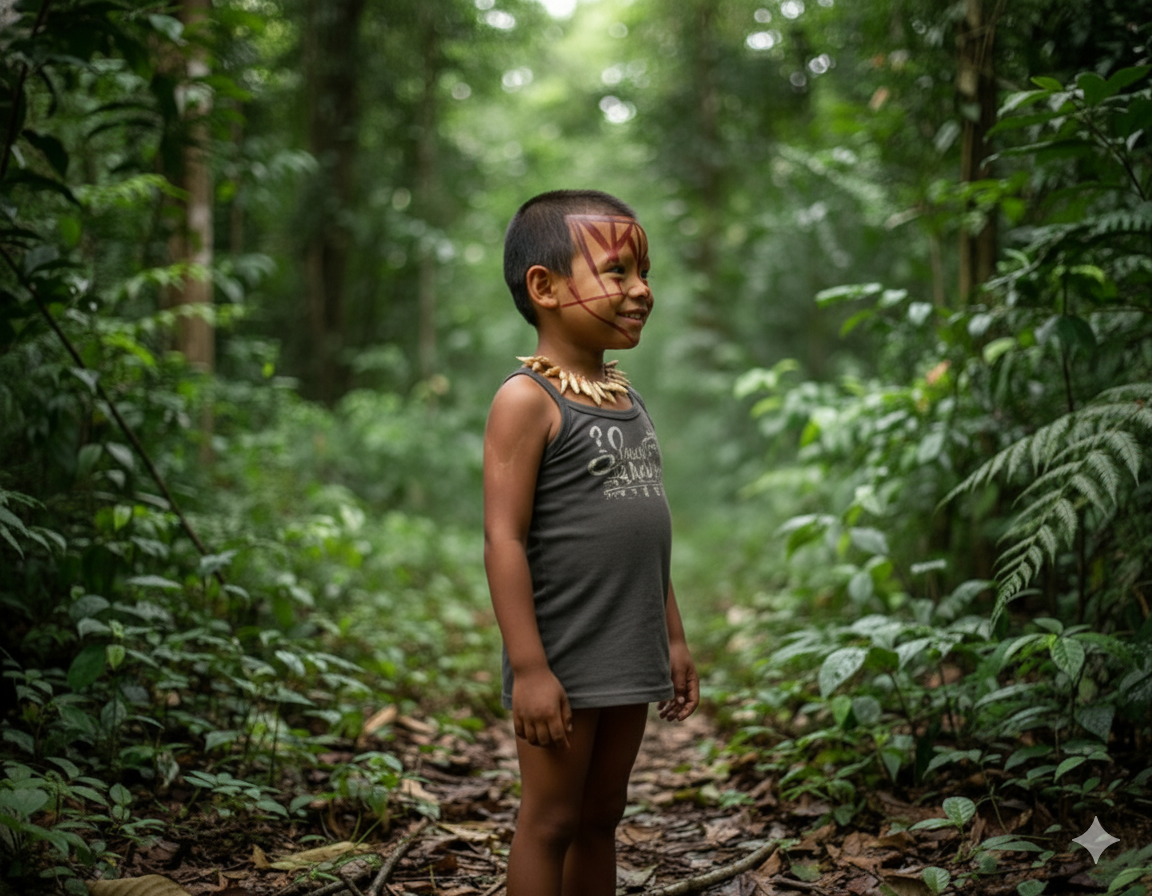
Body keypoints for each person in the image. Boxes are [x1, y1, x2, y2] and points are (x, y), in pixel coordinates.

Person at [483, 189, 699, 896]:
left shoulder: (622, 394)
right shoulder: (527, 400)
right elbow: (504, 539)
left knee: (604, 813)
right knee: (551, 819)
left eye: (645, 273)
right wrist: (531, 668)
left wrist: (672, 637)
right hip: (564, 649)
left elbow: (646, 528)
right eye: (617, 272)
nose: (641, 290)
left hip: (627, 643)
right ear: (544, 287)